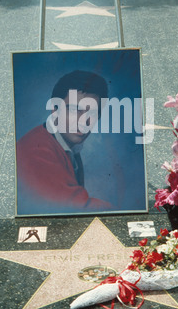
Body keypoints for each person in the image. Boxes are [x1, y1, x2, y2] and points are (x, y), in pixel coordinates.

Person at [16, 70, 117, 214]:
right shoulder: (37, 150)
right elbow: (74, 207)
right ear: (54, 109)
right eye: (75, 110)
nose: (84, 121)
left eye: (92, 113)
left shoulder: (62, 142)